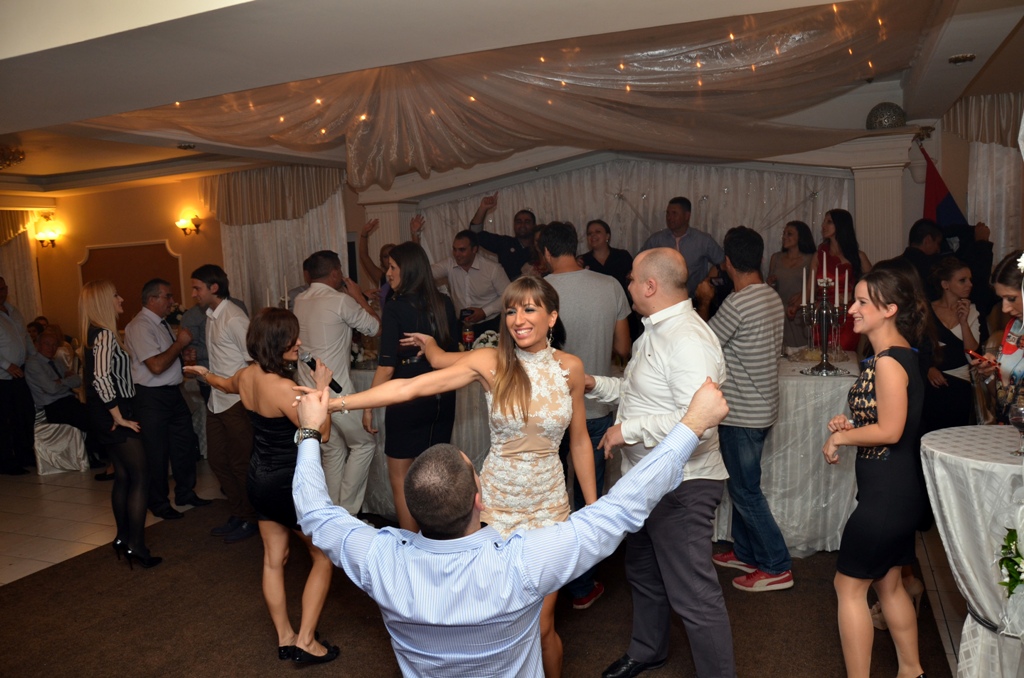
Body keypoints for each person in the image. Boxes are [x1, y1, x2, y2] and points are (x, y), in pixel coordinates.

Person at [293, 376, 729, 678]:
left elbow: (313, 512)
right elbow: (619, 509)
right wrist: (691, 425)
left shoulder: (379, 559)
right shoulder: (522, 562)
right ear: (478, 499)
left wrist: (310, 431)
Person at [309, 275, 597, 678]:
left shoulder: (571, 368)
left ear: (552, 316)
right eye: (511, 311)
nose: (518, 319)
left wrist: (594, 510)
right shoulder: (491, 362)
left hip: (549, 508)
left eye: (529, 309)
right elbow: (412, 388)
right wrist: (336, 404)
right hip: (496, 508)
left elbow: (579, 440)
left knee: (542, 625)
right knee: (496, 617)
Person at [587, 248, 732, 678]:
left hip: (683, 483)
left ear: (650, 286)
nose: (628, 285)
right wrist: (594, 384)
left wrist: (626, 431)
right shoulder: (654, 330)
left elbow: (699, 419)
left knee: (694, 595)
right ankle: (648, 650)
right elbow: (639, 395)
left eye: (632, 279)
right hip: (648, 481)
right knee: (644, 572)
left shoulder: (687, 339)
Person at [186, 309, 339, 665]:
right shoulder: (284, 389)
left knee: (274, 559)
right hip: (289, 483)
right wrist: (322, 389)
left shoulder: (246, 376)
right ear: (276, 342)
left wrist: (204, 373)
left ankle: (285, 637)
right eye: (293, 338)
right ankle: (306, 641)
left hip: (259, 477)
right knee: (323, 556)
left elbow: (224, 384)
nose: (299, 342)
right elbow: (322, 434)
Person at [822, 267, 927, 678]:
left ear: (890, 309)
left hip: (887, 495)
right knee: (889, 584)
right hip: (895, 490)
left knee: (847, 587)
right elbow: (884, 422)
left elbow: (892, 430)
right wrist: (850, 425)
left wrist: (841, 438)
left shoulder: (888, 363)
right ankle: (912, 671)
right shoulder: (895, 356)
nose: (852, 308)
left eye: (863, 301)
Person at [539, 221, 631, 609]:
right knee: (587, 495)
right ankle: (582, 582)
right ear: (575, 245)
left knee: (549, 493)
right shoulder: (609, 285)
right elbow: (623, 347)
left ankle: (546, 575)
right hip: (595, 405)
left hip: (548, 410)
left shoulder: (538, 290)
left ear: (546, 252)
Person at [705, 227, 793, 592]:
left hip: (743, 413)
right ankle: (746, 552)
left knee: (745, 491)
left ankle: (776, 564)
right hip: (760, 407)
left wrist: (704, 301)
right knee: (742, 486)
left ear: (727, 262)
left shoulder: (737, 303)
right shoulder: (770, 295)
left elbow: (704, 345)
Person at [362, 241, 458, 531]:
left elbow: (386, 366)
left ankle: (408, 544)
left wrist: (368, 405)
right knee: (435, 476)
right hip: (442, 394)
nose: (388, 273)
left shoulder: (395, 306)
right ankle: (437, 538)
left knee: (401, 476)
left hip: (409, 396)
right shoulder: (444, 303)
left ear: (409, 269)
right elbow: (452, 353)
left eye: (393, 267)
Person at [79, 280, 160, 568]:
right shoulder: (104, 335)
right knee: (141, 476)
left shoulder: (93, 333)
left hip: (105, 411)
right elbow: (101, 378)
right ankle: (136, 546)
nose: (121, 298)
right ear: (103, 301)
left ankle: (123, 538)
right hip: (115, 410)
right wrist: (118, 415)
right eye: (115, 295)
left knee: (125, 475)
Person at [293, 250, 380, 515]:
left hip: (309, 394)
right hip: (337, 393)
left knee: (332, 451)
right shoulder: (341, 300)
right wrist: (359, 297)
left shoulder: (299, 300)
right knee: (364, 444)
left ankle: (332, 515)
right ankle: (349, 512)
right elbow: (375, 327)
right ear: (335, 273)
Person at [124, 278, 209, 520]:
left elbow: (166, 359)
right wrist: (180, 343)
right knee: (156, 452)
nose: (172, 301)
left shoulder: (160, 323)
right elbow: (156, 365)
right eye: (167, 296)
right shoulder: (140, 326)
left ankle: (185, 492)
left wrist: (183, 355)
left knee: (184, 446)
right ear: (152, 299)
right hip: (151, 397)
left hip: (173, 394)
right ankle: (159, 502)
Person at [192, 264, 259, 544]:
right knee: (218, 460)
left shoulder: (234, 318)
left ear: (214, 288)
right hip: (216, 399)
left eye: (197, 288)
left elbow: (254, 360)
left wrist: (251, 400)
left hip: (236, 401)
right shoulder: (211, 316)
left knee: (240, 462)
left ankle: (252, 518)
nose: (194, 293)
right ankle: (239, 511)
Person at [25, 326, 105, 468]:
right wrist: (65, 381)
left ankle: (97, 451)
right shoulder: (33, 363)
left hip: (67, 400)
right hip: (52, 406)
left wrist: (60, 382)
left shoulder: (56, 361)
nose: (51, 348)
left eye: (54, 345)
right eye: (47, 344)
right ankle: (92, 453)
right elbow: (51, 389)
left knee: (96, 412)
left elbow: (77, 380)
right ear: (37, 345)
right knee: (89, 417)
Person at [922, 257, 979, 432]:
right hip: (929, 381)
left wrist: (964, 322)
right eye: (962, 280)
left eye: (970, 280)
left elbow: (972, 353)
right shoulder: (926, 310)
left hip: (960, 382)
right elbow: (916, 346)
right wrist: (928, 368)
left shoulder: (972, 311)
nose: (969, 284)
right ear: (945, 285)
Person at [425, 227, 511, 339]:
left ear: (474, 249)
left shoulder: (493, 269)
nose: (457, 254)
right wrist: (415, 237)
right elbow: (424, 273)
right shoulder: (449, 264)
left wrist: (484, 312)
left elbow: (508, 296)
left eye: (462, 250)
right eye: (454, 249)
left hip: (490, 325)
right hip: (461, 325)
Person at [812, 208, 872, 352]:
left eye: (829, 222)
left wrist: (853, 295)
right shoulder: (819, 255)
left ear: (841, 225)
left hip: (846, 315)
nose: (823, 225)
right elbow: (809, 288)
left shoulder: (858, 256)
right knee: (820, 353)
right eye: (824, 222)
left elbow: (874, 285)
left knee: (843, 353)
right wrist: (800, 304)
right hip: (823, 314)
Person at [639, 197, 724, 298]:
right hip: (662, 299)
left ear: (687, 216)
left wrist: (708, 280)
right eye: (668, 213)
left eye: (674, 213)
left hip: (693, 299)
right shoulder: (657, 240)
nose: (669, 217)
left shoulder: (703, 240)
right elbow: (639, 262)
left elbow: (723, 262)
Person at [977, 251, 1024, 421]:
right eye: (1001, 299)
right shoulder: (1014, 327)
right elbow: (1002, 399)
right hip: (1009, 430)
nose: (1004, 308)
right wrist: (990, 374)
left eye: (1011, 298)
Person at [580, 219, 640, 340]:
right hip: (596, 317)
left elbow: (635, 281)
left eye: (597, 232)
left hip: (624, 313)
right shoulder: (582, 261)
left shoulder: (622, 256)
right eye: (589, 233)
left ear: (607, 236)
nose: (593, 235)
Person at [0, 275, 36, 475]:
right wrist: (7, 365)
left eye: (3, 288)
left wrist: (35, 358)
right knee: (4, 421)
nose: (2, 293)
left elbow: (25, 337)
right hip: (2, 377)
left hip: (21, 372)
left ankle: (24, 454)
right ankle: (6, 461)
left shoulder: (14, 311)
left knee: (24, 415)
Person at [767, 220, 816, 347]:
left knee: (801, 351)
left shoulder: (811, 259)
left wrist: (801, 296)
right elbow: (770, 289)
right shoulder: (776, 258)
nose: (784, 237)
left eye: (789, 234)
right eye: (784, 234)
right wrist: (771, 283)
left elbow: (814, 287)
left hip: (800, 314)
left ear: (800, 237)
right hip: (779, 313)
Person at [467, 192, 538, 281]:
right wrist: (483, 208)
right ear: (514, 225)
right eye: (518, 222)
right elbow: (475, 234)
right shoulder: (505, 243)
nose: (522, 225)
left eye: (527, 222)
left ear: (534, 225)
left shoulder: (540, 247)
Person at [357, 218, 396, 307]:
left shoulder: (407, 275)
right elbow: (363, 256)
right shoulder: (381, 278)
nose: (389, 259)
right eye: (385, 256)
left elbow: (416, 261)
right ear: (381, 260)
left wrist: (415, 234)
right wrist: (364, 234)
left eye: (392, 255)